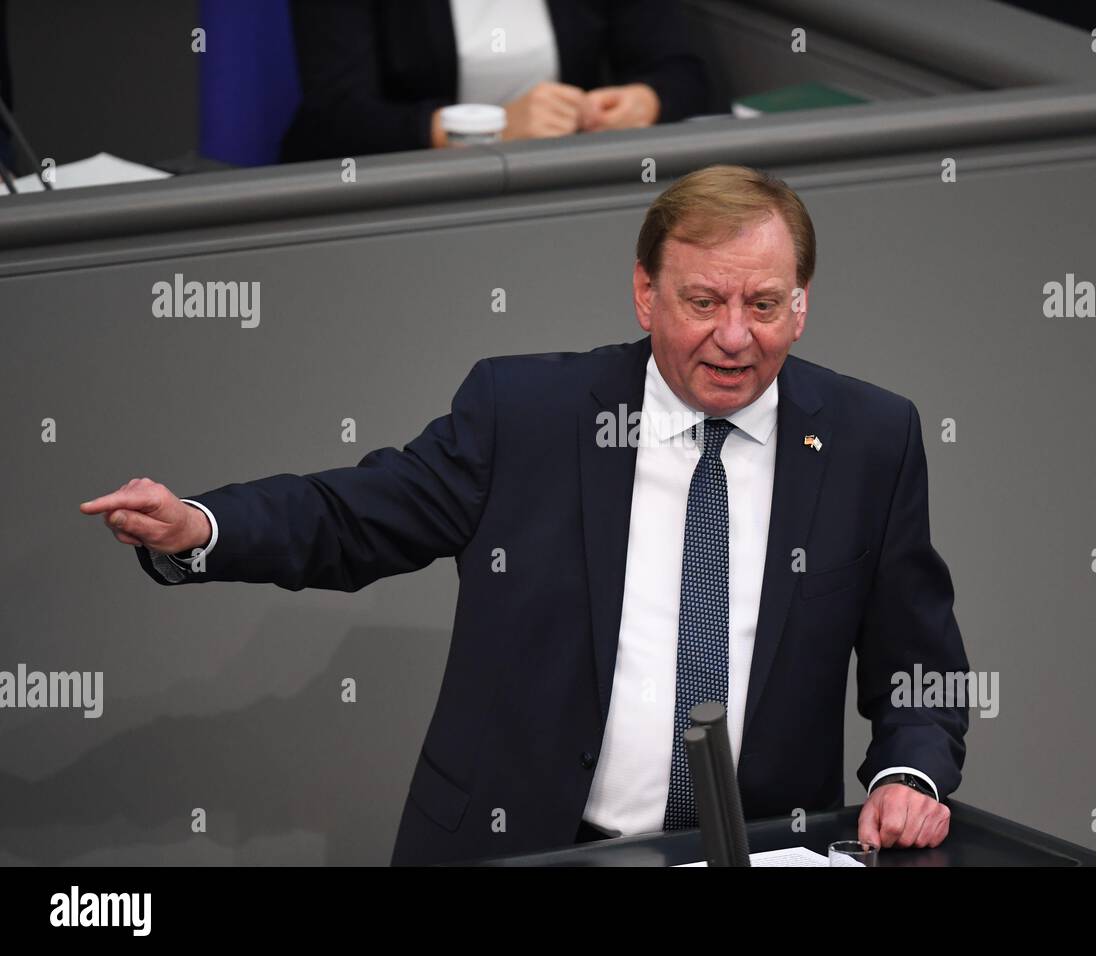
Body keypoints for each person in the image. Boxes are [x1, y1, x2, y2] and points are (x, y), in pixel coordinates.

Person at [81, 164, 970, 866]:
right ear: (644, 293)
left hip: (753, 855)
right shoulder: (530, 414)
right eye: (704, 302)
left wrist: (908, 771)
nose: (735, 336)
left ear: (801, 303)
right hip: (530, 847)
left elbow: (919, 664)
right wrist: (201, 527)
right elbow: (356, 515)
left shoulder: (868, 439)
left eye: (765, 305)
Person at [280, 0, 710, 162]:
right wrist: (490, 128)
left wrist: (643, 101)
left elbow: (682, 73)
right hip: (413, 192)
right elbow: (333, 120)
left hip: (563, 174)